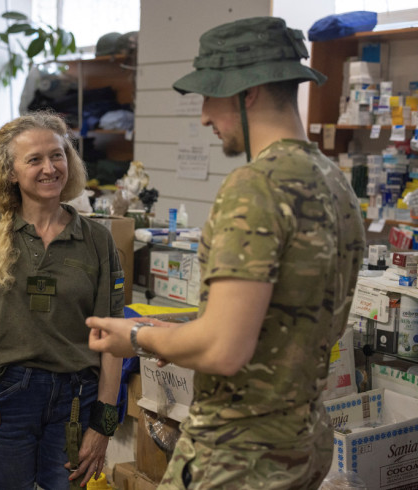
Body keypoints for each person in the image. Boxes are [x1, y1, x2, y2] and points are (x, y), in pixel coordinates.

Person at [86, 17, 366, 489]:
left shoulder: (255, 187)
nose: (203, 116)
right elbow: (274, 321)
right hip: (300, 443)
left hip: (239, 456)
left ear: (248, 91)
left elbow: (223, 349)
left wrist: (135, 337)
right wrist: (180, 329)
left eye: (209, 96)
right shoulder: (335, 183)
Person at [0, 111, 125, 489]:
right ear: (11, 172)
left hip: (75, 399)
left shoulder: (98, 240)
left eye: (58, 155)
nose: (50, 168)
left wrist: (105, 424)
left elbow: (111, 339)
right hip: (5, 397)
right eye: (34, 160)